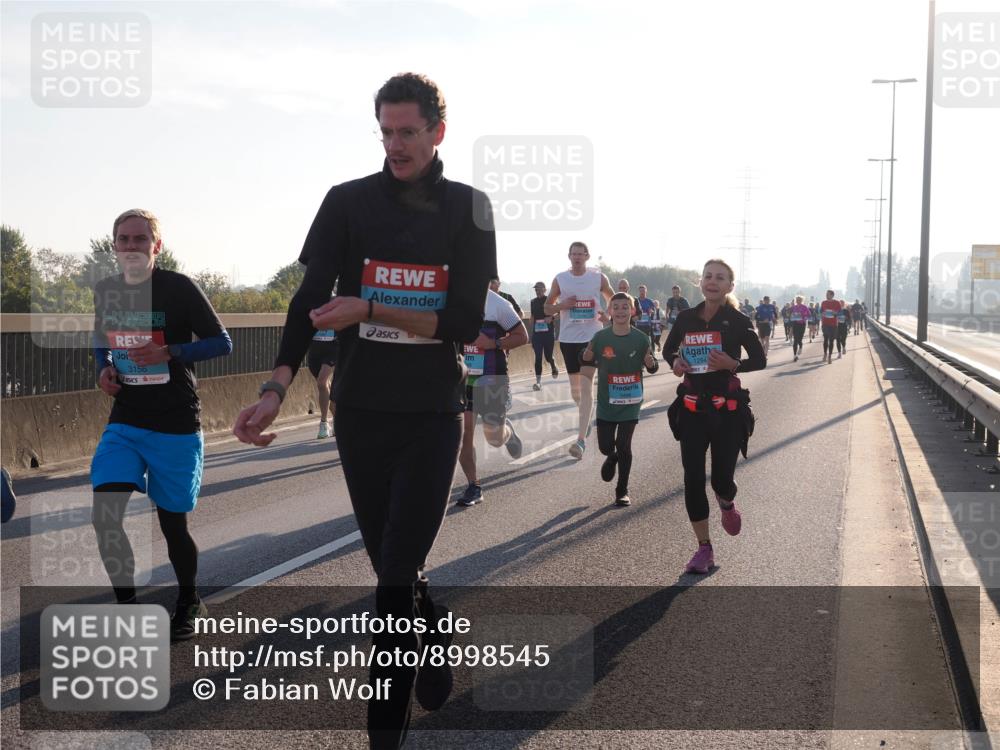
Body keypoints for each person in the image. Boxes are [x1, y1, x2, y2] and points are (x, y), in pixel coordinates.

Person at [232, 73, 496, 750]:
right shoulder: (347, 204)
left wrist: (372, 308)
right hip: (362, 413)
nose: (396, 144)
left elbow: (464, 320)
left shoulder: (470, 209)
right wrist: (274, 388)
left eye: (408, 131)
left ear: (438, 132)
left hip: (433, 412)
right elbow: (307, 302)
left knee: (390, 589)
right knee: (394, 570)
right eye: (386, 131)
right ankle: (432, 642)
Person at [91, 208, 232, 640]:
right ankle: (127, 608)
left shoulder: (179, 288)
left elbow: (222, 343)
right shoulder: (108, 291)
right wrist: (103, 370)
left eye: (139, 239)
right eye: (123, 239)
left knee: (173, 525)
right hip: (127, 421)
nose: (131, 247)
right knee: (105, 514)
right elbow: (101, 341)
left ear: (157, 245)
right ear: (114, 247)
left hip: (176, 424)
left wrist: (171, 352)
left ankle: (190, 599)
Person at [664, 259, 765, 574]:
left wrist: (731, 364)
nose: (713, 281)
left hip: (727, 413)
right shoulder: (685, 317)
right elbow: (668, 352)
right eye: (708, 276)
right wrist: (676, 363)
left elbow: (759, 360)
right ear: (700, 282)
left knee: (721, 480)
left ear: (729, 286)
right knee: (693, 479)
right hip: (693, 411)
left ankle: (726, 501)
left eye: (720, 278)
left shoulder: (737, 320)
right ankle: (703, 548)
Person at [580, 293, 658, 506]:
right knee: (606, 446)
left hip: (631, 401)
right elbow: (586, 358)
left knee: (624, 444)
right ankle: (611, 456)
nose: (621, 311)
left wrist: (651, 363)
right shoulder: (600, 337)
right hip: (607, 401)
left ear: (632, 311)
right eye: (617, 307)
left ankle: (622, 489)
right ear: (610, 311)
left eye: (626, 307)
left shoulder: (641, 338)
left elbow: (652, 366)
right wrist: (585, 355)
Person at [457, 289, 528, 506]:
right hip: (462, 378)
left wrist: (494, 344)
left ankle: (508, 433)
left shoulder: (498, 305)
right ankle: (473, 486)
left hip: (492, 377)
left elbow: (522, 336)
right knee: (464, 430)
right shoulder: (452, 298)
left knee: (494, 439)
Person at [545, 242, 614, 459]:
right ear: (569, 256)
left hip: (592, 337)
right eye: (573, 254)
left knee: (585, 388)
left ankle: (580, 441)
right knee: (576, 392)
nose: (576, 257)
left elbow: (614, 300)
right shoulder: (560, 279)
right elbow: (547, 307)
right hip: (567, 339)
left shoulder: (598, 277)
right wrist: (561, 306)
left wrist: (608, 316)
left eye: (580, 254)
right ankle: (586, 417)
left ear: (587, 256)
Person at [308, 320, 338, 439]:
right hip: (315, 349)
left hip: (333, 347)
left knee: (322, 382)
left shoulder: (337, 301)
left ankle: (323, 423)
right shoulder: (309, 303)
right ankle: (338, 420)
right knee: (325, 387)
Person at [529, 281, 559, 390]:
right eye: (536, 289)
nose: (537, 291)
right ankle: (538, 382)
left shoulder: (550, 300)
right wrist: (531, 324)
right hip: (537, 334)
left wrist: (551, 318)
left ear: (545, 290)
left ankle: (553, 364)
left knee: (548, 356)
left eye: (540, 289)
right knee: (538, 357)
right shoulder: (533, 302)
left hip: (548, 333)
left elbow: (560, 312)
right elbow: (532, 316)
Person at [819, 290, 841, 364]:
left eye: (827, 294)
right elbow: (821, 311)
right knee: (825, 339)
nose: (826, 295)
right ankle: (825, 353)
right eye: (826, 294)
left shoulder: (837, 303)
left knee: (831, 341)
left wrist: (835, 313)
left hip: (833, 324)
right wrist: (822, 313)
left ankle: (830, 356)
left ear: (832, 295)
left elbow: (840, 312)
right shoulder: (823, 303)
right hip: (825, 324)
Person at [634, 284, 656, 353]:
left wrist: (651, 311)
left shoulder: (649, 301)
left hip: (647, 324)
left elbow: (654, 311)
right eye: (640, 291)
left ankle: (652, 353)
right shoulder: (636, 301)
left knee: (649, 340)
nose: (642, 292)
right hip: (638, 325)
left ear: (646, 291)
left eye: (643, 291)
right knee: (639, 340)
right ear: (639, 292)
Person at [788, 296, 810, 361]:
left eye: (799, 300)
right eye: (797, 300)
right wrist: (790, 315)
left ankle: (800, 347)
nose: (798, 301)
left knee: (799, 339)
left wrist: (804, 318)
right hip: (795, 324)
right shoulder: (794, 307)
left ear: (802, 300)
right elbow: (788, 313)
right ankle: (795, 355)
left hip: (802, 324)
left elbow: (809, 314)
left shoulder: (804, 307)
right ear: (796, 300)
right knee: (795, 340)